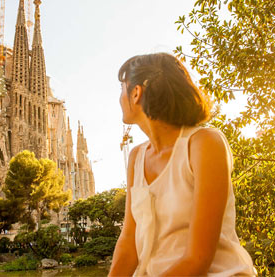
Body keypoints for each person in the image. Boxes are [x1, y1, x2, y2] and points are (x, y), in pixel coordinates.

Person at [108, 53, 256, 276]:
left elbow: (198, 259)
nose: (120, 98)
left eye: (122, 89)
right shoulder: (136, 157)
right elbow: (129, 242)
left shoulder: (204, 143)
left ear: (136, 93)